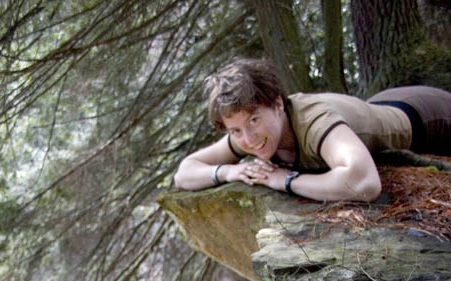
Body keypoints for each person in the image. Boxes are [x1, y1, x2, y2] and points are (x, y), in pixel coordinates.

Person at [174, 58, 451, 203]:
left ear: (277, 104)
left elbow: (365, 183)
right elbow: (184, 173)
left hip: (429, 117)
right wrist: (228, 171)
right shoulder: (249, 135)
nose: (247, 139)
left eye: (254, 121)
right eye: (235, 131)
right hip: (380, 104)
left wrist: (284, 180)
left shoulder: (313, 121)